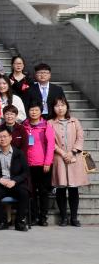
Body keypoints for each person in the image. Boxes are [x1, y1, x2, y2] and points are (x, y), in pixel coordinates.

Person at [50, 97, 88, 226]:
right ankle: (63, 218)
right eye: (57, 106)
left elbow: (80, 138)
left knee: (73, 189)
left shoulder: (74, 121)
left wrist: (72, 152)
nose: (60, 108)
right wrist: (62, 153)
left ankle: (74, 218)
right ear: (53, 108)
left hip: (74, 157)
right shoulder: (50, 123)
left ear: (67, 107)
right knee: (60, 188)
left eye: (62, 105)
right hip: (59, 157)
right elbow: (50, 142)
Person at [0, 128, 30, 231]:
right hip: (0, 184)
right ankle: (3, 222)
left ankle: (19, 222)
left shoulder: (19, 153)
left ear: (10, 138)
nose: (2, 139)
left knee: (24, 194)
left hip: (14, 183)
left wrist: (14, 181)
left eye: (5, 136)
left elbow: (25, 172)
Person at [22, 103, 56, 226]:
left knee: (43, 192)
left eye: (36, 110)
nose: (34, 112)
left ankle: (43, 217)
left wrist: (47, 162)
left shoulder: (46, 126)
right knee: (31, 192)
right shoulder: (24, 125)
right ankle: (34, 216)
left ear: (41, 112)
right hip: (28, 164)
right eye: (31, 110)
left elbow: (51, 145)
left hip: (42, 165)